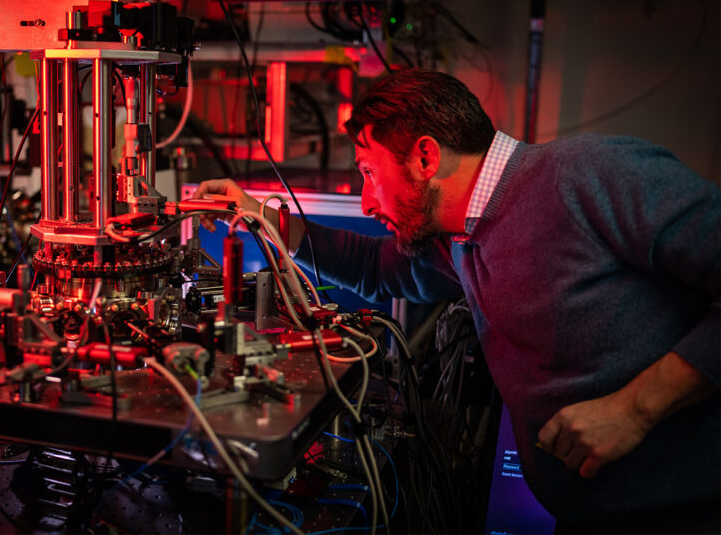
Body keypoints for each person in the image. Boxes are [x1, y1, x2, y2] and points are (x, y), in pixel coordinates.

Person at [193, 69, 720, 533]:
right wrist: (261, 216)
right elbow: (375, 270)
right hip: (590, 514)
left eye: (370, 172)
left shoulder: (590, 174)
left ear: (425, 156)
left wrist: (634, 409)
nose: (365, 199)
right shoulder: (463, 235)